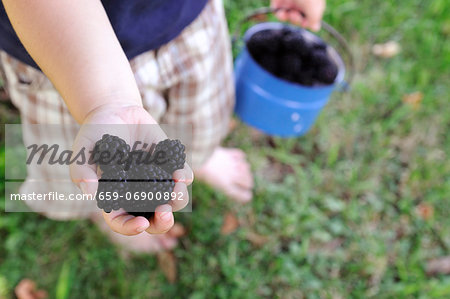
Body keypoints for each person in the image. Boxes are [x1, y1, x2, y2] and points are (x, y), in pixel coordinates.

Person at [0, 0, 325, 252]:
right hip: (66, 53)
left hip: (186, 21)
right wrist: (106, 102)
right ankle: (103, 213)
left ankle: (202, 157)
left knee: (201, 121)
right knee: (83, 167)